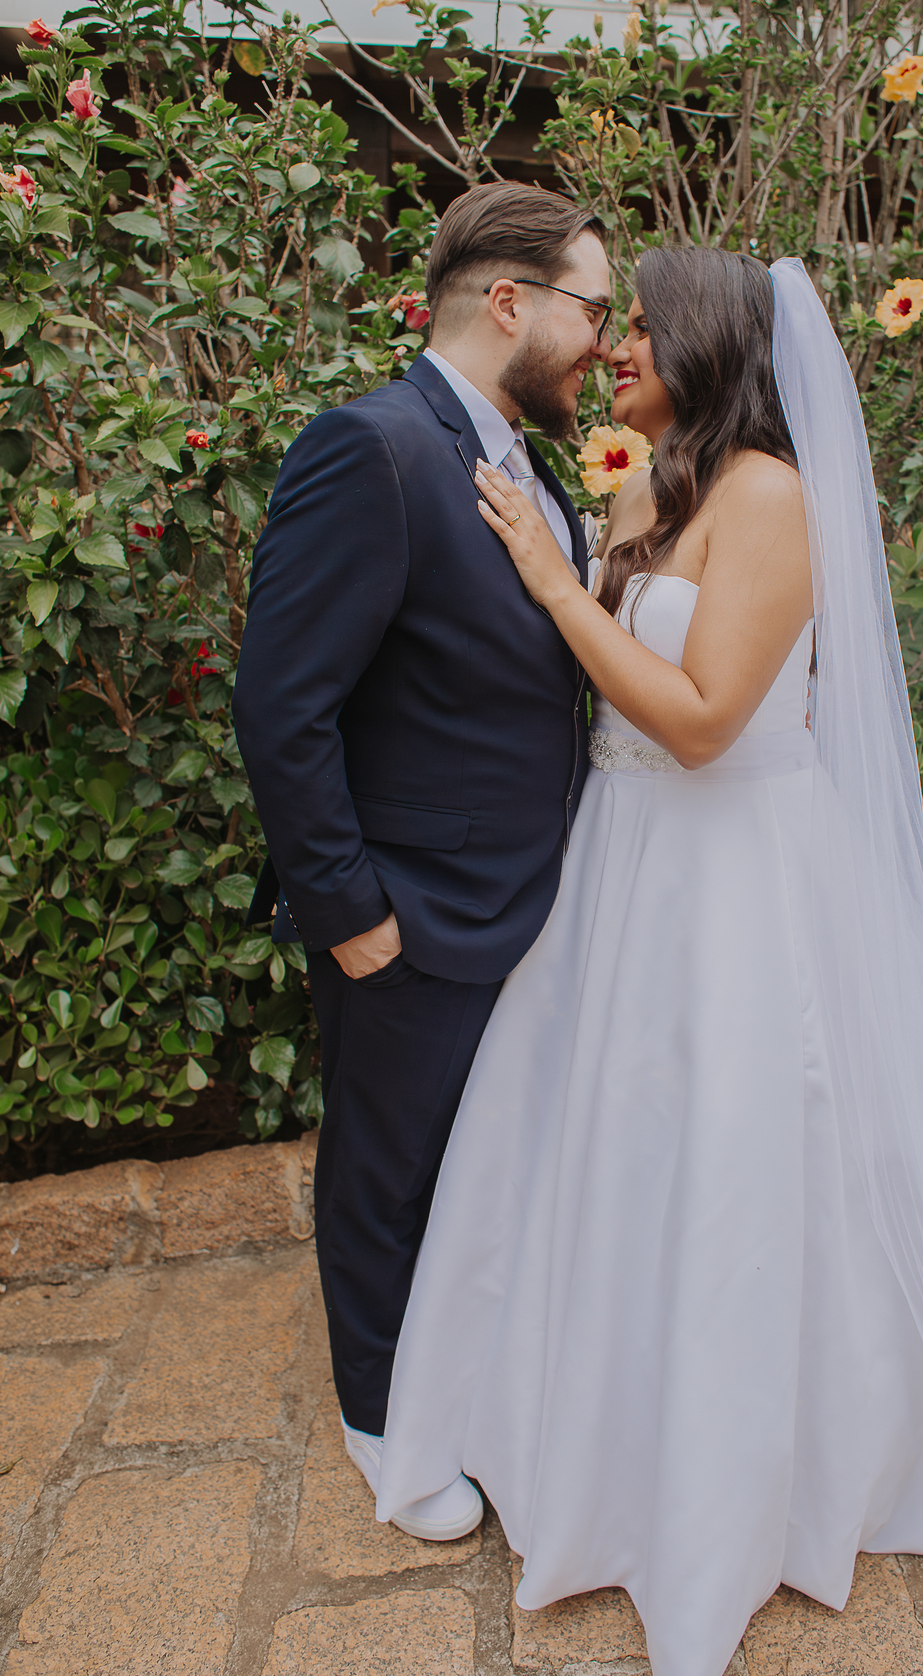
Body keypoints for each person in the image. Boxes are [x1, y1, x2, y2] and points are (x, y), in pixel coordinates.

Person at [375, 246, 923, 1676]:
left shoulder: (769, 496)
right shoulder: (648, 485)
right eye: (617, 323)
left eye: (643, 327)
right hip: (622, 860)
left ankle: (758, 1457)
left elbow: (704, 722)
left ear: (706, 343)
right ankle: (580, 1419)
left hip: (737, 872)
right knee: (611, 1138)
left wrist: (555, 589)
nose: (618, 347)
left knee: (748, 1151)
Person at [232, 181, 612, 1539]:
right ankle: (383, 1421)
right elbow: (282, 707)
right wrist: (352, 913)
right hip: (414, 907)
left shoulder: (527, 466)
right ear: (509, 301)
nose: (606, 342)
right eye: (593, 309)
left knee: (478, 1165)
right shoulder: (372, 448)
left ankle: (473, 1379)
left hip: (527, 901)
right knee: (386, 1173)